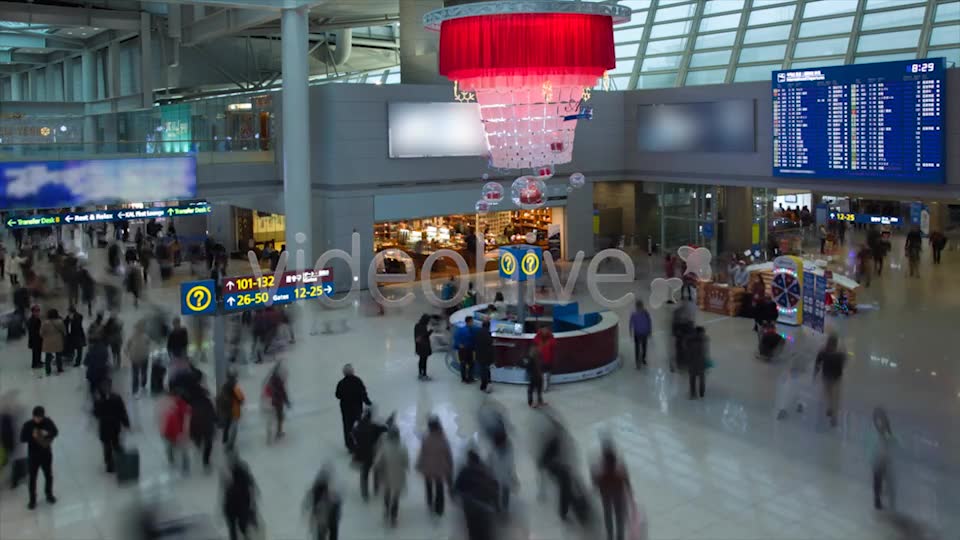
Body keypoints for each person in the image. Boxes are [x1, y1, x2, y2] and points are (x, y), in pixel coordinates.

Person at [454, 449, 499, 540]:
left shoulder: (465, 471)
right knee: (486, 530)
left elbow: (457, 487)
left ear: (469, 460)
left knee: (473, 529)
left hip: (470, 506)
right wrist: (497, 505)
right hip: (486, 505)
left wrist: (457, 496)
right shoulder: (487, 470)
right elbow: (495, 487)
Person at [592, 441, 632, 540]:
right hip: (617, 495)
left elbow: (596, 484)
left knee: (609, 516)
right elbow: (626, 481)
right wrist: (629, 491)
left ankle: (611, 536)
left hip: (606, 496)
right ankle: (620, 536)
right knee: (619, 517)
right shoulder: (620, 468)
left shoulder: (600, 471)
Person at [20, 406, 58, 509]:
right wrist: (31, 436)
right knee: (32, 478)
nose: (38, 419)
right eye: (36, 417)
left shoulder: (48, 422)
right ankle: (32, 500)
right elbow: (22, 438)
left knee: (48, 475)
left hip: (46, 454)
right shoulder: (28, 425)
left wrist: (48, 433)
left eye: (40, 417)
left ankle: (49, 494)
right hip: (33, 456)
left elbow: (56, 432)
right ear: (33, 416)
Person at [416, 416, 453, 517]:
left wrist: (419, 464)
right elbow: (448, 454)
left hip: (427, 468)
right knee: (439, 487)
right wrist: (450, 466)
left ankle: (429, 503)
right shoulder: (443, 439)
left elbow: (422, 453)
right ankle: (439, 508)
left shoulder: (426, 439)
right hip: (440, 468)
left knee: (428, 486)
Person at [92, 379, 130, 473]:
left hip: (110, 427)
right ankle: (111, 464)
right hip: (109, 426)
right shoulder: (105, 399)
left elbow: (122, 411)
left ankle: (114, 463)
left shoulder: (111, 398)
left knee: (112, 445)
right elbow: (97, 414)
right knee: (109, 446)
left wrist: (126, 423)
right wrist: (126, 423)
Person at [373, 426, 408, 527]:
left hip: (386, 475)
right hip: (399, 475)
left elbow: (377, 462)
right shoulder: (402, 447)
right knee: (396, 496)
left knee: (387, 493)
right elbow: (405, 462)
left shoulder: (384, 447)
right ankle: (393, 516)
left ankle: (386, 509)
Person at [352, 409, 387, 500]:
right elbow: (384, 429)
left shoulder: (358, 425)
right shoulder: (373, 426)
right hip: (372, 453)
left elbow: (353, 434)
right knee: (376, 470)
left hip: (361, 454)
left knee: (364, 474)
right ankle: (376, 488)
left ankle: (365, 494)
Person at [335, 364, 371, 452]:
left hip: (345, 409)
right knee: (358, 425)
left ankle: (350, 445)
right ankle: (359, 443)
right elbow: (363, 393)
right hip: (357, 408)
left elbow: (337, 395)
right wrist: (368, 402)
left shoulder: (341, 383)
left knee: (347, 427)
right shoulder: (357, 381)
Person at [222, 457, 259, 540]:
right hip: (239, 506)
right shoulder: (244, 479)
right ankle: (246, 535)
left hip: (232, 507)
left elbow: (225, 494)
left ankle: (242, 535)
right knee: (242, 526)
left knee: (234, 528)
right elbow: (251, 497)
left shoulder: (230, 479)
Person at [814, 333, 846, 427]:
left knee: (829, 394)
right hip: (836, 378)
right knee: (835, 397)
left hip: (827, 377)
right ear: (835, 344)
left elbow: (817, 364)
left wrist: (815, 374)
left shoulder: (823, 352)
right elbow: (843, 364)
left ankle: (830, 408)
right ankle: (833, 415)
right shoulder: (840, 354)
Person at [869, 407, 897, 510]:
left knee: (885, 481)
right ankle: (878, 500)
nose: (880, 423)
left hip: (883, 461)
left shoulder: (885, 430)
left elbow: (891, 442)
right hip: (878, 461)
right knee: (879, 482)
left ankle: (883, 499)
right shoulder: (879, 430)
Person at [304, 468, 341, 540]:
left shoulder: (316, 489)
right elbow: (338, 502)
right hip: (328, 517)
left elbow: (308, 501)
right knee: (331, 533)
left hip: (322, 518)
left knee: (322, 534)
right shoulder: (331, 490)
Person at [187, 385, 217, 471]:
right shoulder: (206, 401)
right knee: (208, 444)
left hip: (195, 427)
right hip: (207, 426)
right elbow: (212, 413)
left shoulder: (190, 402)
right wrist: (216, 420)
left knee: (198, 439)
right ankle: (206, 461)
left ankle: (199, 446)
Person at [161, 392, 191, 473]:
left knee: (170, 447)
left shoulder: (172, 404)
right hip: (177, 431)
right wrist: (185, 433)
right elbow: (186, 421)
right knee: (183, 449)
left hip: (169, 430)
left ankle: (172, 461)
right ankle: (185, 466)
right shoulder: (185, 407)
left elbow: (164, 417)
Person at [487, 429, 517, 513]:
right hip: (497, 476)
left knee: (503, 493)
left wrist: (512, 476)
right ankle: (499, 509)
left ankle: (502, 510)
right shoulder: (496, 451)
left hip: (501, 476)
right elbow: (490, 462)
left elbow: (510, 465)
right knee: (498, 493)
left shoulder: (506, 450)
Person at [217, 371, 245, 450]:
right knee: (233, 429)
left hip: (225, 411)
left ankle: (225, 443)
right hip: (234, 411)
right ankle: (230, 445)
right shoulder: (235, 388)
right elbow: (241, 399)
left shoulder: (224, 387)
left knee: (227, 427)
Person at [264, 363, 291, 444]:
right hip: (277, 402)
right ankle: (278, 433)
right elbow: (283, 392)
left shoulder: (271, 379)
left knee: (272, 418)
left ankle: (271, 434)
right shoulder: (278, 380)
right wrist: (287, 402)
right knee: (279, 417)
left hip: (270, 401)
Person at [125, 321, 151, 398]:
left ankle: (143, 384)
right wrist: (128, 354)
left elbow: (148, 345)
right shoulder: (132, 337)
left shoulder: (145, 336)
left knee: (142, 372)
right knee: (136, 375)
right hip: (136, 358)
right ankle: (135, 390)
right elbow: (127, 346)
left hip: (143, 357)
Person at [40, 309, 66, 376]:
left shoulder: (45, 323)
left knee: (48, 357)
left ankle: (48, 370)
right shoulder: (60, 322)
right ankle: (59, 368)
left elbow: (41, 333)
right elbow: (64, 331)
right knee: (58, 356)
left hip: (47, 341)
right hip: (58, 341)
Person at [686, 326, 709, 400]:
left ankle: (696, 392)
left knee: (694, 379)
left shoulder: (692, 340)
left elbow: (705, 352)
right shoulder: (701, 340)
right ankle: (699, 392)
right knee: (698, 378)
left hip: (695, 363)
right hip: (697, 363)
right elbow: (704, 352)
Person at [629, 301, 652, 368]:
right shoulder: (634, 314)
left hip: (644, 333)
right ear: (636, 307)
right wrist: (630, 332)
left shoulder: (645, 313)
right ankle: (638, 361)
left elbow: (649, 322)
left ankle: (643, 358)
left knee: (644, 347)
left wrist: (649, 331)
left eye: (640, 307)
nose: (640, 308)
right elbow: (631, 324)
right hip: (637, 333)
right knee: (637, 348)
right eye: (638, 307)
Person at [454, 317, 477, 383]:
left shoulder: (461, 330)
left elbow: (456, 337)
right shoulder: (467, 330)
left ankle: (466, 378)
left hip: (466, 350)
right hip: (465, 350)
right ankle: (467, 378)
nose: (472, 323)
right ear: (468, 322)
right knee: (467, 364)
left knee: (466, 364)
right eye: (472, 322)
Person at [533, 326, 556, 391]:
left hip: (548, 360)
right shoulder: (538, 337)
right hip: (539, 360)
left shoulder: (551, 338)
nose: (544, 331)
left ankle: (545, 387)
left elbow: (554, 345)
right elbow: (535, 342)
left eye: (546, 330)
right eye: (543, 330)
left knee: (546, 375)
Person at [475, 320, 494, 393]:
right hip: (486, 356)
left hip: (479, 354)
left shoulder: (478, 332)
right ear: (489, 326)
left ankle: (483, 385)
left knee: (482, 370)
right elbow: (490, 345)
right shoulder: (488, 334)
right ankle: (486, 385)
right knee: (486, 370)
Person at [414, 314, 433, 381]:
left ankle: (420, 373)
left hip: (419, 347)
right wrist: (430, 331)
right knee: (424, 361)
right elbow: (424, 336)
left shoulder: (417, 325)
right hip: (424, 347)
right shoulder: (423, 327)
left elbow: (417, 337)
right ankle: (424, 374)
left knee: (421, 360)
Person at [26, 306, 43, 375]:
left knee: (38, 351)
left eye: (38, 311)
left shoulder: (37, 319)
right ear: (33, 312)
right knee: (35, 351)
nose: (38, 313)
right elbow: (32, 331)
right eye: (36, 311)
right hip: (34, 339)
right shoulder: (32, 320)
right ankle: (35, 364)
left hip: (38, 339)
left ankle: (38, 361)